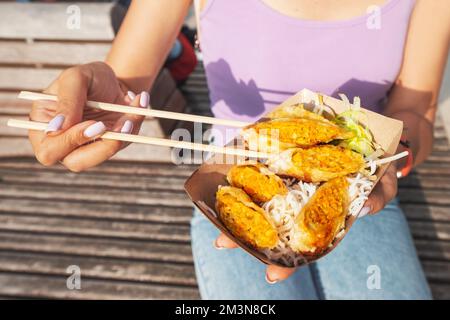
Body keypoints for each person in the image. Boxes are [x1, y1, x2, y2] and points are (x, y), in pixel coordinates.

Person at [28, 0, 450, 299]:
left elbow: (415, 110)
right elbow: (124, 86)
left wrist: (395, 156)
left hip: (361, 195)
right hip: (227, 182)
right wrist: (99, 104)